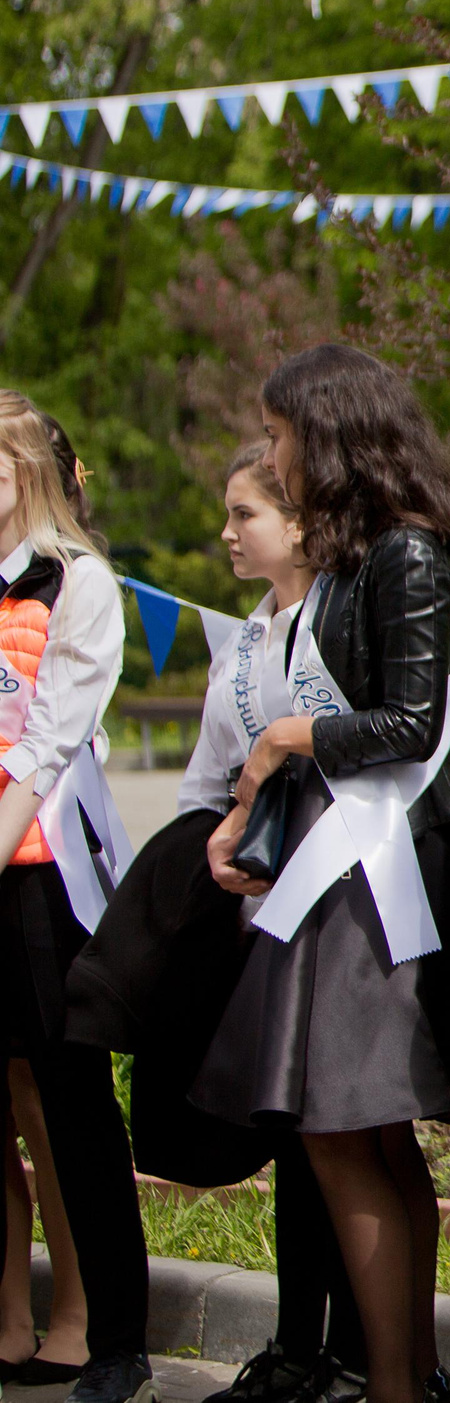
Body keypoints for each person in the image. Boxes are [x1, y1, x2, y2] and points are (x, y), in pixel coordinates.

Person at [196, 344, 450, 1403]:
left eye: (279, 435)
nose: (273, 455)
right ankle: (402, 1376)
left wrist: (286, 738)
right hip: (339, 859)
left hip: (382, 867)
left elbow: (412, 723)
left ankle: (397, 1381)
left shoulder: (406, 556)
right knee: (365, 1138)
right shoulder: (353, 560)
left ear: (331, 434)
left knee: (347, 1130)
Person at [68, 446, 367, 1403]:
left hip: (339, 915)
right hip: (251, 921)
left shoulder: (348, 624)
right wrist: (217, 855)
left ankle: (365, 1352)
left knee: (341, 1140)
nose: (227, 533)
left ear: (302, 522)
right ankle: (296, 1347)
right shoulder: (241, 644)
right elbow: (205, 783)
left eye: (245, 514)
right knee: (292, 1139)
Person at [0, 394, 150, 1403]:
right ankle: (10, 1315)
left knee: (66, 1101)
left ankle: (106, 1332)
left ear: (28, 474)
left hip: (42, 875)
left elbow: (51, 742)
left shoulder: (78, 580)